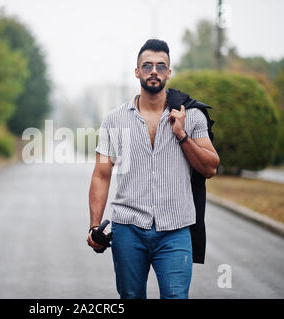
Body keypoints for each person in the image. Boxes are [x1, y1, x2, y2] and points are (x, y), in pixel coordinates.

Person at [87, 39, 220, 299]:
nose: (154, 71)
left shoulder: (190, 116)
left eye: (161, 66)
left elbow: (210, 168)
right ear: (137, 71)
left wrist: (181, 134)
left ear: (169, 73)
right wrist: (94, 226)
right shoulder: (115, 120)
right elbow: (101, 175)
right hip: (127, 229)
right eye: (147, 66)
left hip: (175, 230)